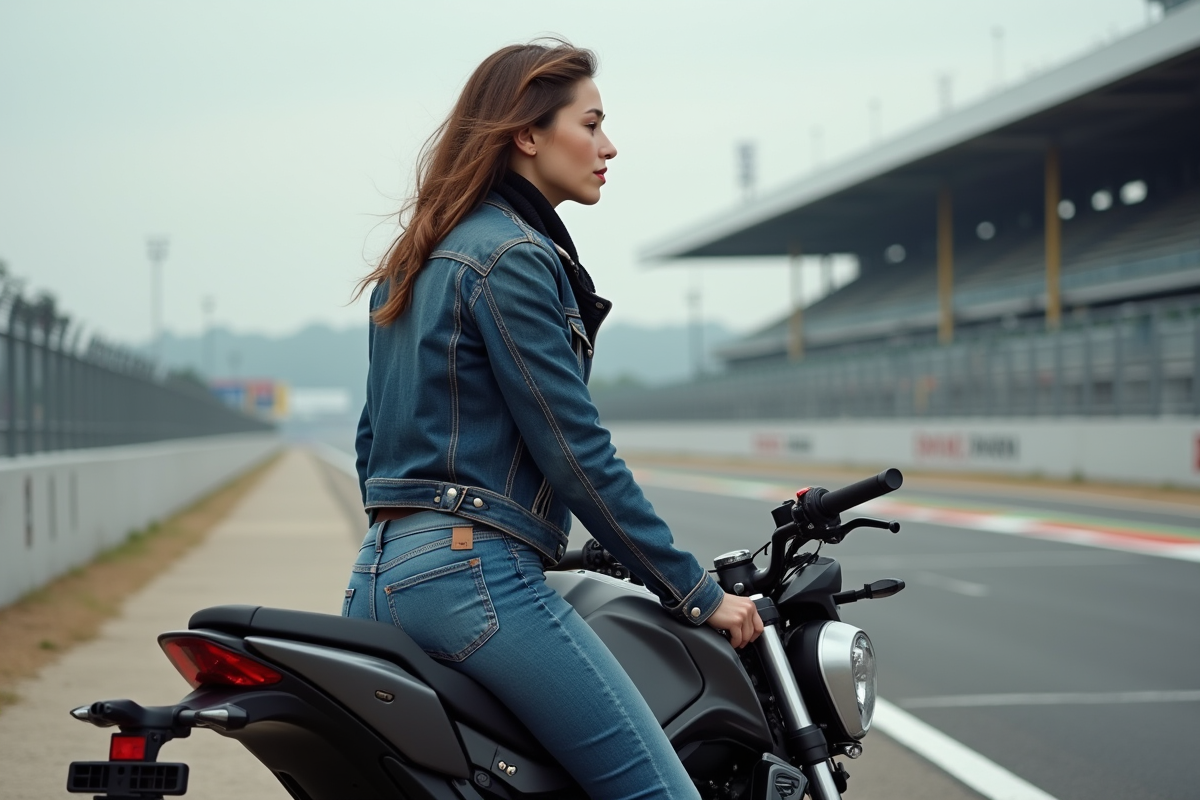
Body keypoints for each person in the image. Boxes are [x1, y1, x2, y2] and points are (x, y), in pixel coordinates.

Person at [343, 39, 763, 800]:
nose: (609, 146)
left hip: (376, 574)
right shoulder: (512, 257)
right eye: (592, 123)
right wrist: (693, 590)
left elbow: (373, 442)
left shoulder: (415, 259)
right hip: (473, 576)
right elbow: (574, 451)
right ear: (527, 136)